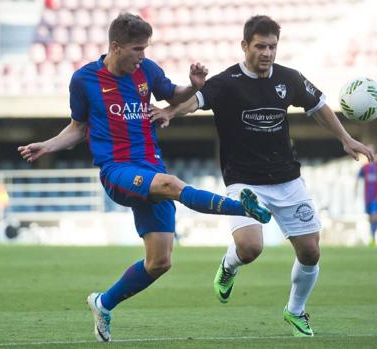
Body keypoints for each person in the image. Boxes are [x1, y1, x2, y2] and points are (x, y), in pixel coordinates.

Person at [17, 13, 271, 342]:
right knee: (171, 185)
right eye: (137, 49)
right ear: (115, 46)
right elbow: (78, 127)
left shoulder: (146, 71)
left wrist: (191, 87)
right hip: (117, 170)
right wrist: (47, 146)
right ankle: (244, 209)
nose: (143, 55)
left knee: (160, 261)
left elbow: (171, 94)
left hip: (150, 166)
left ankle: (103, 303)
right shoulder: (84, 80)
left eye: (146, 49)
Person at [150, 15, 375, 337]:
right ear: (245, 46)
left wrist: (345, 138)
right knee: (250, 248)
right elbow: (194, 102)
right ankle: (228, 266)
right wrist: (170, 111)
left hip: (287, 177)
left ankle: (295, 311)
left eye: (272, 46)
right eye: (260, 46)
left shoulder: (289, 79)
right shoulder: (227, 82)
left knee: (311, 251)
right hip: (244, 180)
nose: (267, 53)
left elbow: (320, 106)